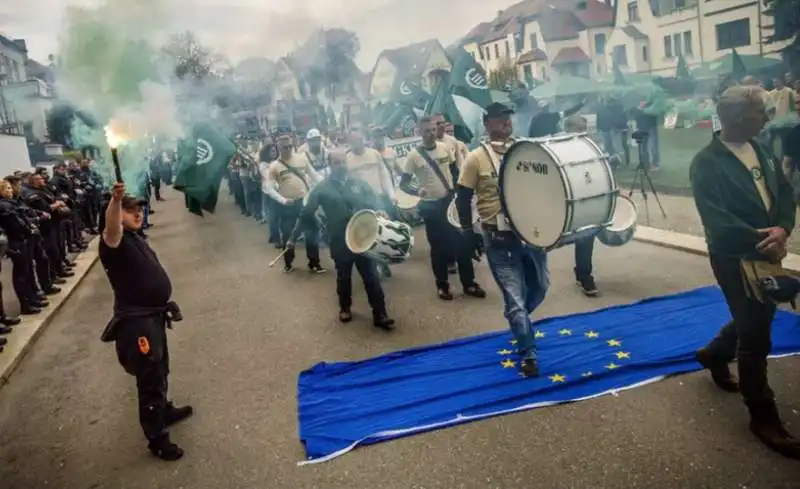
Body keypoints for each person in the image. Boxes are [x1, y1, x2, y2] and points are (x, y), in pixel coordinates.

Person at [690, 85, 799, 459]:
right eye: (759, 113)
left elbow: (785, 192)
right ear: (736, 119)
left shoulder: (761, 146)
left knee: (756, 315)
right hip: (734, 257)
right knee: (755, 334)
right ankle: (763, 417)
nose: (767, 118)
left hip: (770, 248)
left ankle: (715, 354)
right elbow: (717, 220)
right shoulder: (706, 162)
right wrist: (765, 238)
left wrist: (783, 228)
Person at [99, 181, 192, 461]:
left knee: (161, 368)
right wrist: (115, 201)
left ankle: (163, 410)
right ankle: (157, 438)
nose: (137, 213)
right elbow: (111, 228)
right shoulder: (113, 241)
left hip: (153, 317)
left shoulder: (136, 236)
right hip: (137, 323)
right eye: (130, 210)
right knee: (149, 378)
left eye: (139, 208)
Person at [456, 102, 549, 377]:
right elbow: (462, 197)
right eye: (499, 119)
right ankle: (528, 354)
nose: (506, 122)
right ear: (487, 124)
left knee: (541, 288)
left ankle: (517, 319)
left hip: (530, 236)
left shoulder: (525, 150)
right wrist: (467, 232)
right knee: (515, 299)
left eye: (508, 117)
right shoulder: (475, 158)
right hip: (498, 239)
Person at [286, 157, 395, 330]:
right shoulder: (321, 189)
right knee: (344, 276)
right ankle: (345, 308)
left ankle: (380, 314)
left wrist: (380, 210)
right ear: (330, 164)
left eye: (343, 161)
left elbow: (373, 201)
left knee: (371, 276)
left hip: (363, 238)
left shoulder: (359, 183)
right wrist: (292, 238)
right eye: (337, 162)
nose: (341, 165)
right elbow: (305, 214)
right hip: (339, 240)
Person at [400, 116, 486, 301]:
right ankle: (443, 286)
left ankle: (469, 284)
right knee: (438, 248)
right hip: (431, 207)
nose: (431, 133)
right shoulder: (413, 156)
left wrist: (459, 194)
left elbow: (456, 171)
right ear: (419, 133)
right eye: (426, 131)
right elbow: (404, 184)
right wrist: (418, 190)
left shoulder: (446, 148)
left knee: (462, 243)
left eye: (433, 129)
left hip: (450, 202)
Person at [264, 128, 325, 274]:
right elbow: (269, 188)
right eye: (285, 147)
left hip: (305, 203)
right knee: (288, 234)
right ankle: (288, 263)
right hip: (287, 206)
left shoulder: (302, 158)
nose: (288, 149)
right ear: (279, 147)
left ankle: (314, 263)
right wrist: (283, 200)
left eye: (290, 146)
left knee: (311, 233)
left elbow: (315, 176)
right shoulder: (274, 166)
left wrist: (324, 185)